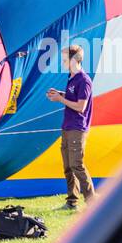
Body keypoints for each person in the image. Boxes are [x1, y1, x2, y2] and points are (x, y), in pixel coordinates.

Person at [47, 43, 94, 210]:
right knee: (68, 166)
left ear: (74, 59)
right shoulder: (71, 78)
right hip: (67, 126)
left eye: (65, 59)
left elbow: (81, 106)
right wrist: (60, 94)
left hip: (77, 128)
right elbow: (73, 98)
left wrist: (61, 100)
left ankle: (92, 203)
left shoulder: (84, 80)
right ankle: (72, 202)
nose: (63, 62)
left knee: (77, 165)